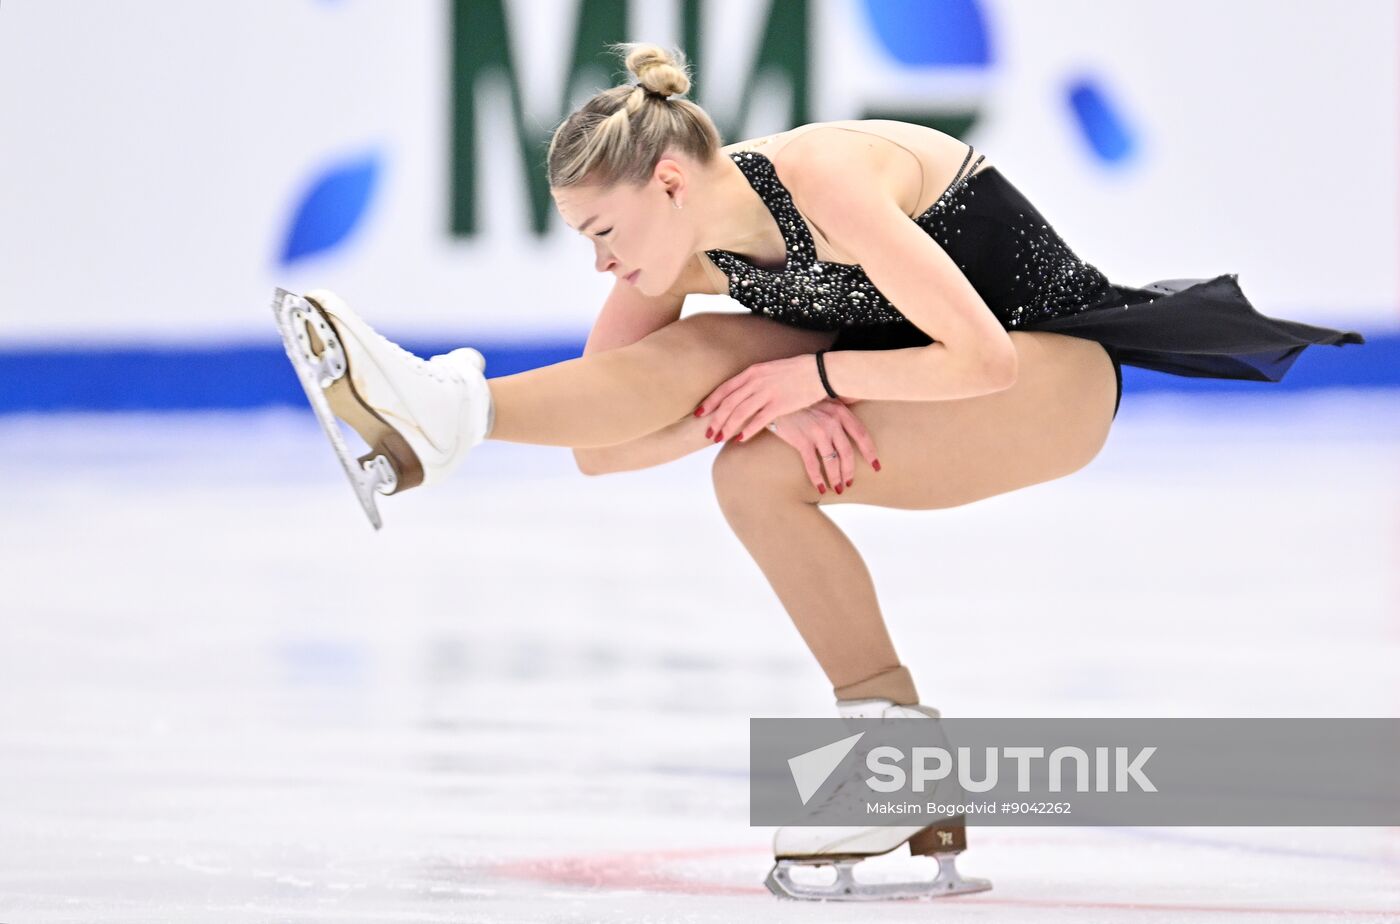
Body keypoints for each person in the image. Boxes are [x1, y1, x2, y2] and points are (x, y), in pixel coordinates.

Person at [273, 42, 1366, 901]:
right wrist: (763, 405)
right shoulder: (681, 252)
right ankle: (893, 756)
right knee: (743, 458)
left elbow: (982, 356)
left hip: (1050, 376)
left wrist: (812, 383)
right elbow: (605, 450)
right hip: (918, 378)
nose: (601, 263)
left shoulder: (824, 176)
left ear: (666, 180)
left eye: (602, 232)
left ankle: (435, 420)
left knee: (746, 394)